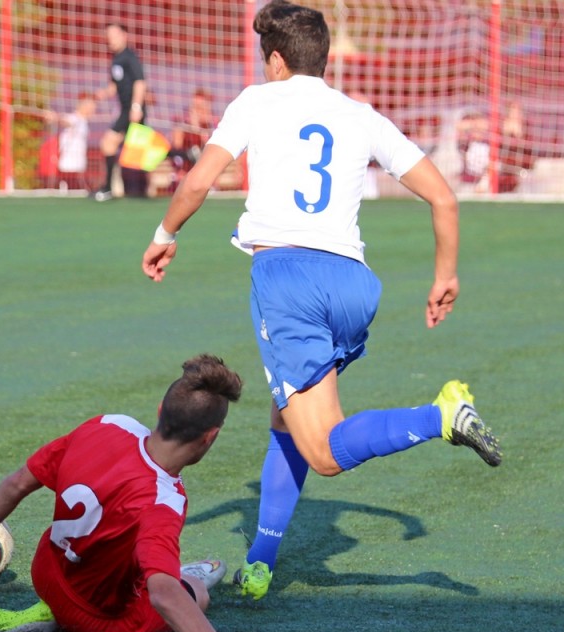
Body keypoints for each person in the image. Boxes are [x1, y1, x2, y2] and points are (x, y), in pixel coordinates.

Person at [141, 0, 502, 601]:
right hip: (353, 284)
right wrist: (445, 276)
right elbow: (443, 198)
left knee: (325, 451)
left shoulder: (257, 100)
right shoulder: (360, 115)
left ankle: (439, 416)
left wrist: (164, 234)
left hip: (289, 282)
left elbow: (200, 179)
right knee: (287, 414)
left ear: (276, 61)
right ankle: (260, 561)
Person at [0, 355, 293, 632]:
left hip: (46, 571)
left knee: (128, 548)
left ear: (161, 412)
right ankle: (183, 577)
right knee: (192, 595)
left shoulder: (109, 425)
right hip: (97, 619)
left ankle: (58, 605)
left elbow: (18, 483)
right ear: (210, 437)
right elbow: (163, 596)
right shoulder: (165, 501)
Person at [93, 22, 146, 202]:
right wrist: (102, 94)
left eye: (115, 35)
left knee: (108, 143)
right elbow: (115, 86)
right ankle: (187, 155)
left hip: (132, 109)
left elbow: (140, 82)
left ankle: (107, 188)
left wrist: (136, 107)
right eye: (108, 36)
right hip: (126, 109)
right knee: (140, 146)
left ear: (124, 35)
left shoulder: (130, 57)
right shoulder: (115, 59)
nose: (111, 39)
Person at [42, 93, 96, 191]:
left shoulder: (83, 121)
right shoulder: (75, 118)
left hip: (78, 167)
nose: (93, 110)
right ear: (84, 106)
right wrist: (55, 118)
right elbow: (65, 121)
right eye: (92, 107)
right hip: (69, 167)